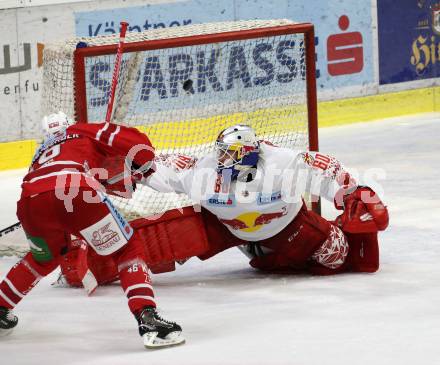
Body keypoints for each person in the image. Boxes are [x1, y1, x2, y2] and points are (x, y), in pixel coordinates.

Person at [54, 124, 389, 289]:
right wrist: (116, 171)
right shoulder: (203, 170)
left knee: (337, 255)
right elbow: (153, 169)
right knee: (156, 240)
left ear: (248, 153)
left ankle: (266, 255)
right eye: (221, 153)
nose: (222, 159)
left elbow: (330, 173)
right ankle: (88, 261)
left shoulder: (283, 164)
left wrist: (357, 195)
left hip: (289, 227)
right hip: (223, 226)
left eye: (230, 155)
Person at [0, 112, 185, 348]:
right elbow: (139, 146)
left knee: (42, 258)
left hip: (29, 200)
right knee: (127, 249)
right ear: (69, 124)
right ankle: (148, 318)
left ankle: (1, 306)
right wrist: (143, 163)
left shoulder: (39, 154)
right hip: (74, 190)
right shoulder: (82, 130)